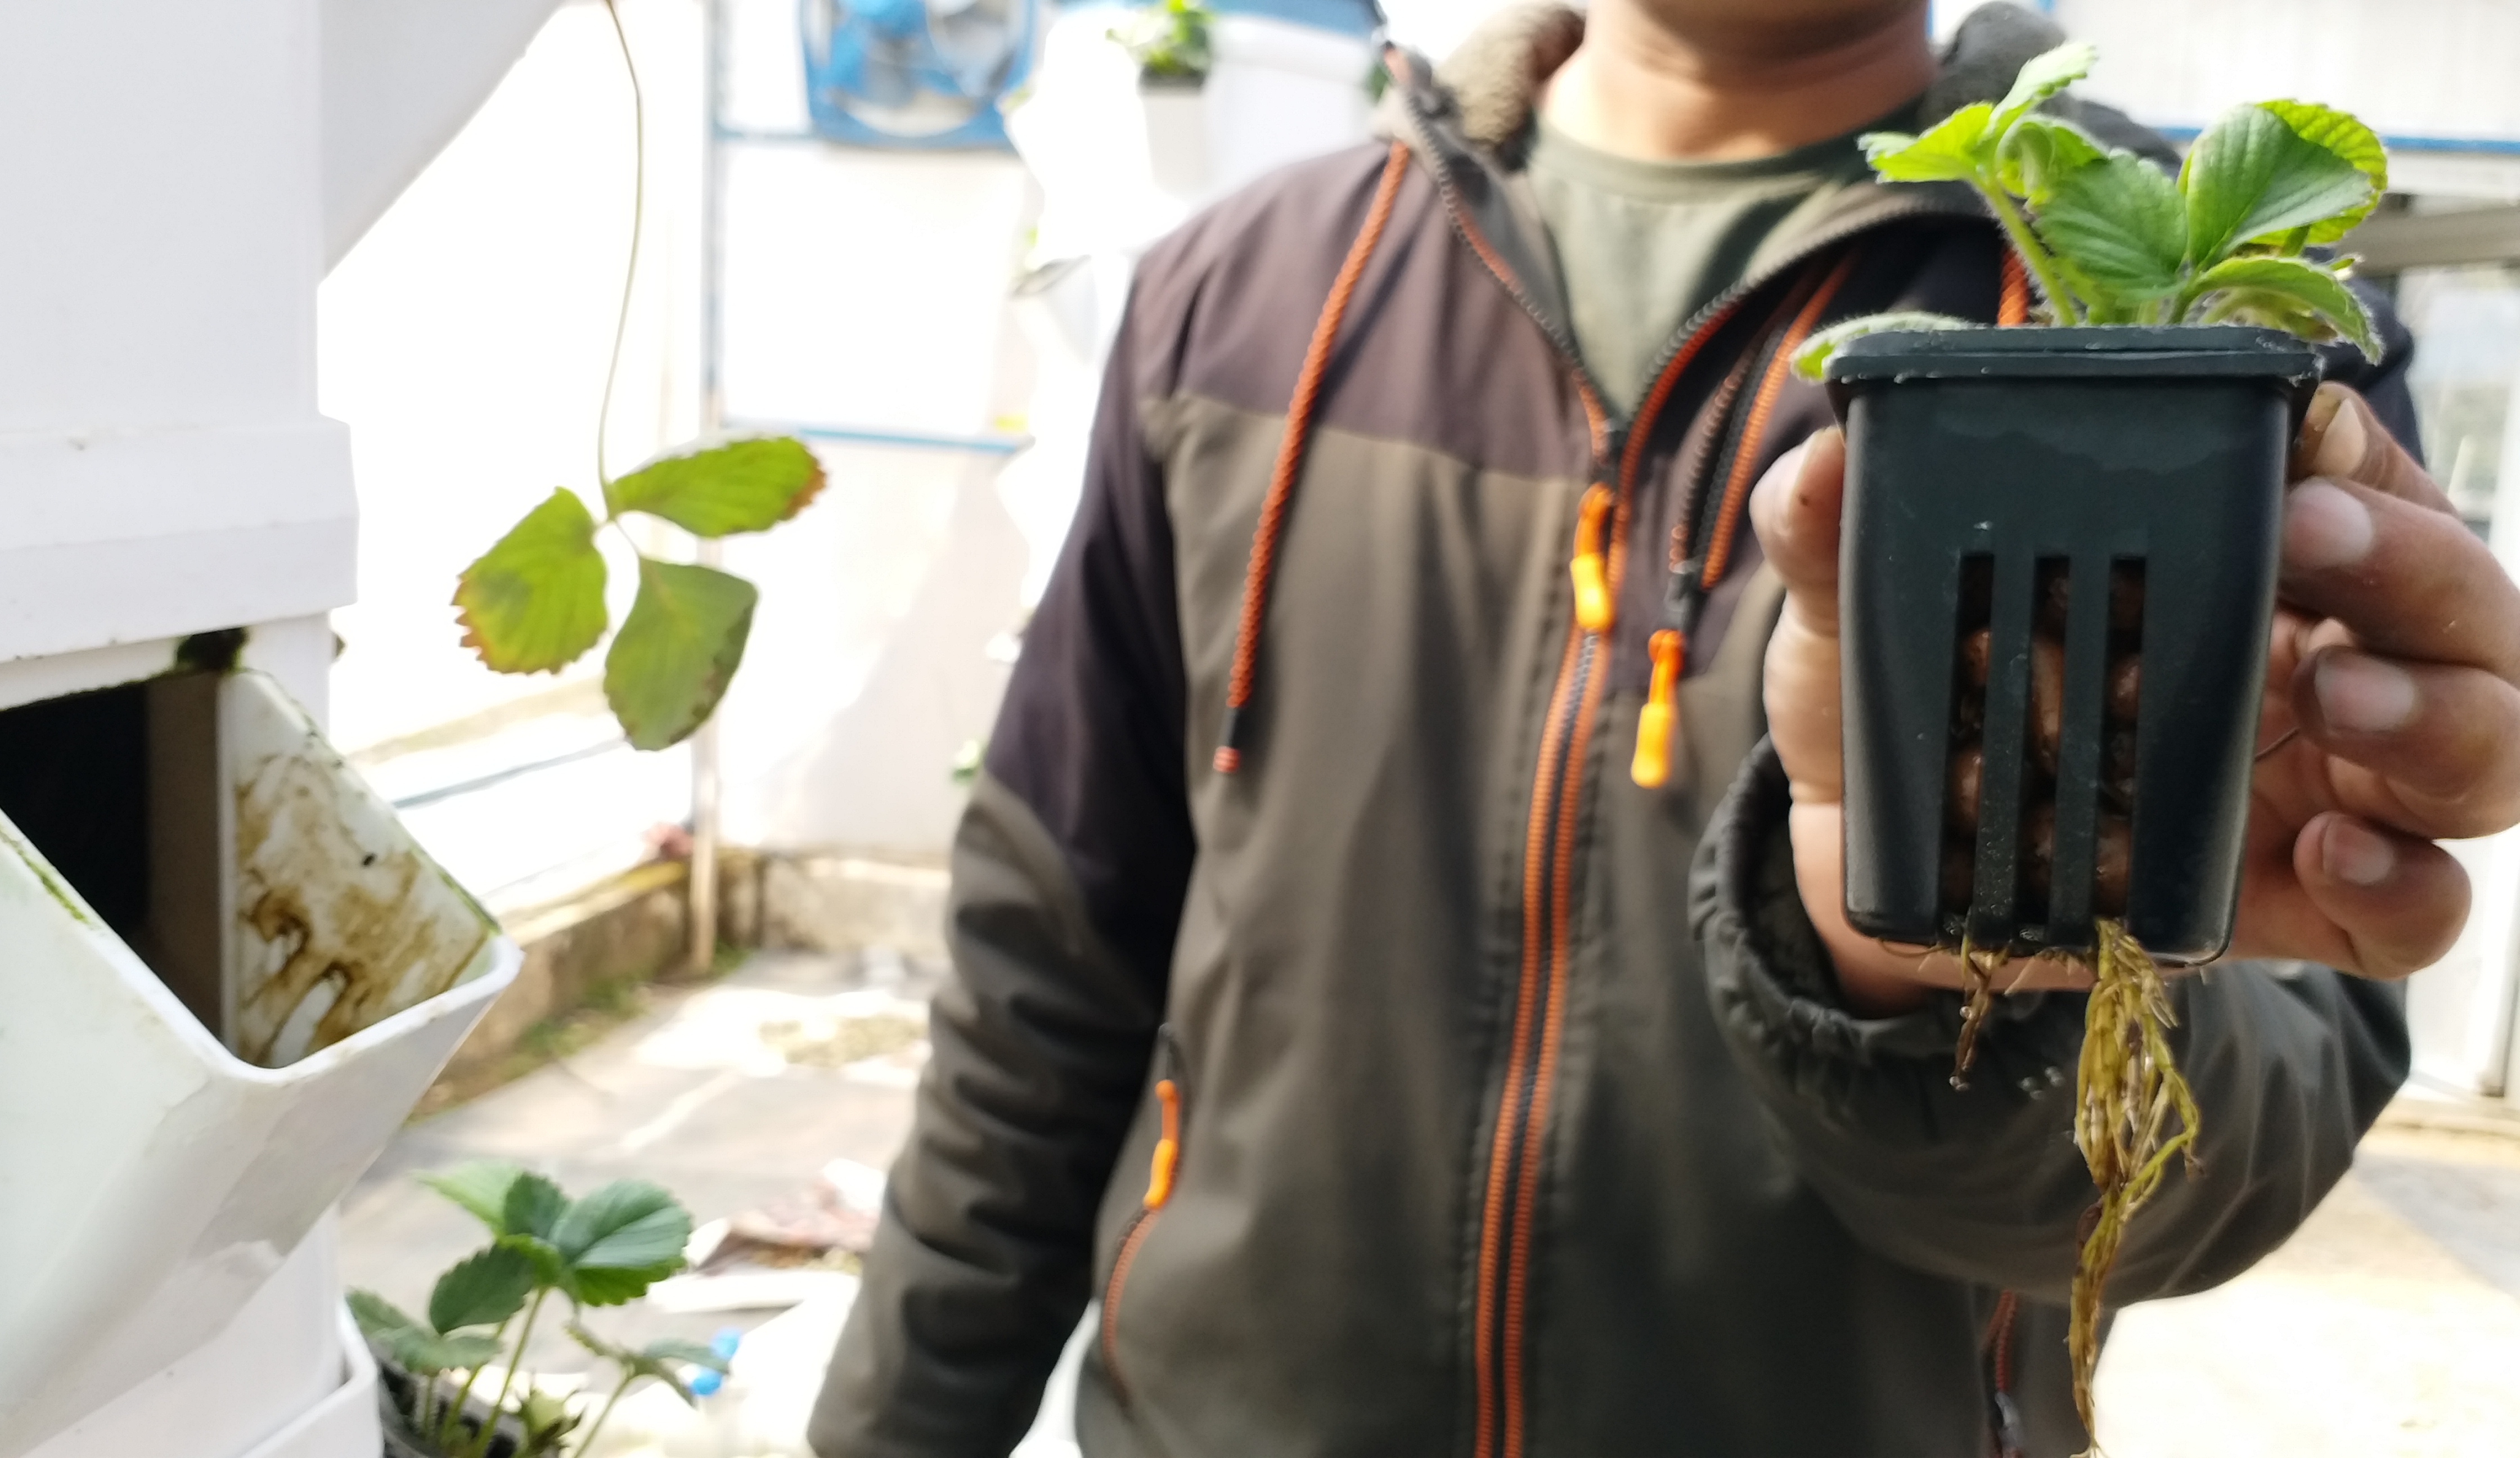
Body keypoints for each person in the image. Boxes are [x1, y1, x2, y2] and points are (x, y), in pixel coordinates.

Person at [809, 2, 2520, 1454]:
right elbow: (1047, 967)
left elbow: (2230, 1148)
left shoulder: (2196, 354)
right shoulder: (1242, 297)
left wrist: (1947, 970)